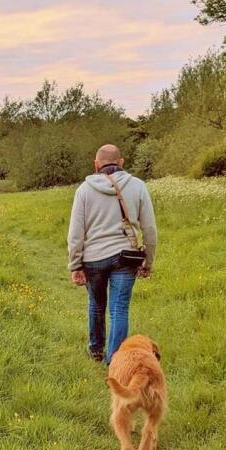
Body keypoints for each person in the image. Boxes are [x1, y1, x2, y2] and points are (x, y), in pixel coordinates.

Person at [67, 144, 157, 364]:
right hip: (126, 256)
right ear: (121, 162)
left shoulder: (84, 190)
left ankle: (96, 349)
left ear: (96, 165)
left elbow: (75, 233)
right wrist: (148, 261)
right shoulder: (138, 186)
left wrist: (75, 265)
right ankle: (115, 360)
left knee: (96, 304)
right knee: (119, 308)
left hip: (93, 258)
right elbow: (150, 229)